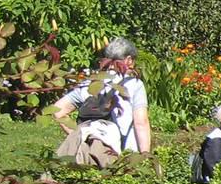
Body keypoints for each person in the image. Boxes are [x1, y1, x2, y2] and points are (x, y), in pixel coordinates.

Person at [52, 38, 151, 166]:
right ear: (128, 60)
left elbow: (57, 111)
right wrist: (145, 156)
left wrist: (77, 135)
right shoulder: (134, 84)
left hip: (85, 151)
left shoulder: (89, 83)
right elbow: (141, 122)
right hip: (121, 156)